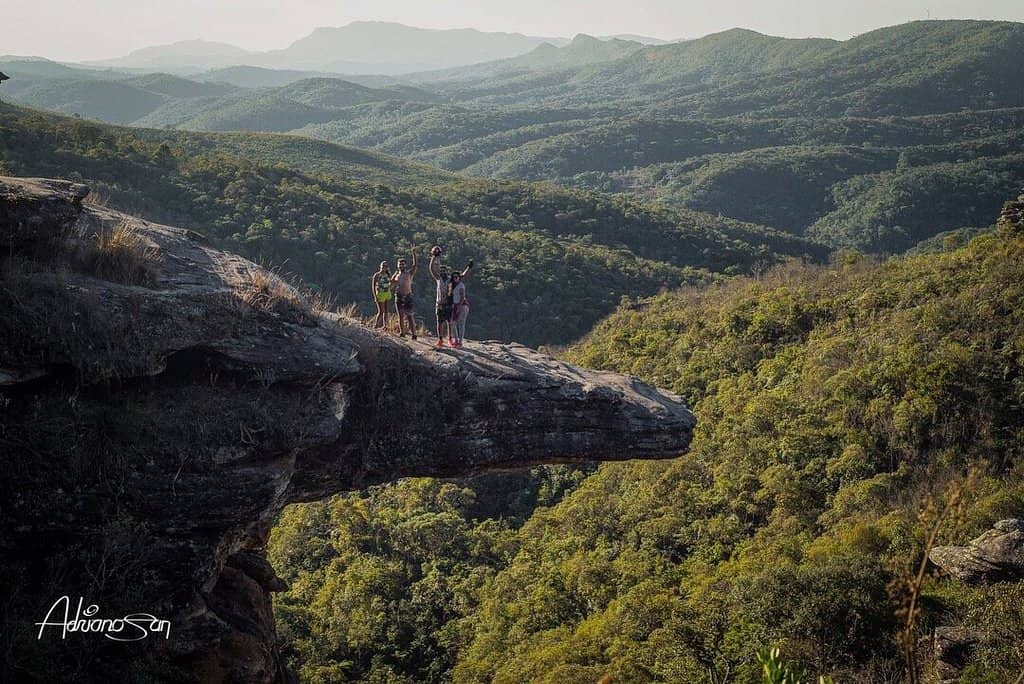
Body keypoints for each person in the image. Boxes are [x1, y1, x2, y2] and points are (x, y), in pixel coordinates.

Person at [428, 248, 474, 347]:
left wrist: (469, 267)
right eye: (441, 271)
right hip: (439, 303)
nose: (442, 272)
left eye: (444, 271)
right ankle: (440, 339)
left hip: (448, 304)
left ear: (446, 272)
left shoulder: (450, 280)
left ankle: (450, 339)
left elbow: (463, 276)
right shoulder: (438, 279)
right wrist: (434, 257)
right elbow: (431, 269)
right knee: (439, 322)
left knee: (449, 322)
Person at [391, 248, 419, 339]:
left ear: (405, 265)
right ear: (397, 265)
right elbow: (391, 285)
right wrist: (392, 279)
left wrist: (414, 254)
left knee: (410, 316)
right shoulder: (396, 275)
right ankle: (402, 333)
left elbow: (415, 265)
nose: (401, 265)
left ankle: (414, 334)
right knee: (400, 316)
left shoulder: (409, 273)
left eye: (403, 264)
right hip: (398, 296)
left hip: (408, 296)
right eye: (400, 264)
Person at [449, 269, 470, 347]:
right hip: (455, 305)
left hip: (462, 305)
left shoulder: (461, 285)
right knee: (452, 323)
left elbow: (462, 297)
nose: (455, 278)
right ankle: (456, 340)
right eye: (453, 277)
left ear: (459, 277)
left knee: (461, 323)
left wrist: (459, 307)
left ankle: (460, 342)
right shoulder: (452, 285)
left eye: (456, 277)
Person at [371, 261, 392, 330]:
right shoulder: (377, 275)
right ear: (380, 266)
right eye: (383, 266)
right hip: (380, 294)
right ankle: (375, 325)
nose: (384, 267)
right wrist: (375, 296)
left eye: (385, 266)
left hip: (387, 293)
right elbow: (373, 286)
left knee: (386, 311)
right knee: (381, 311)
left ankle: (385, 326)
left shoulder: (388, 275)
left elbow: (390, 283)